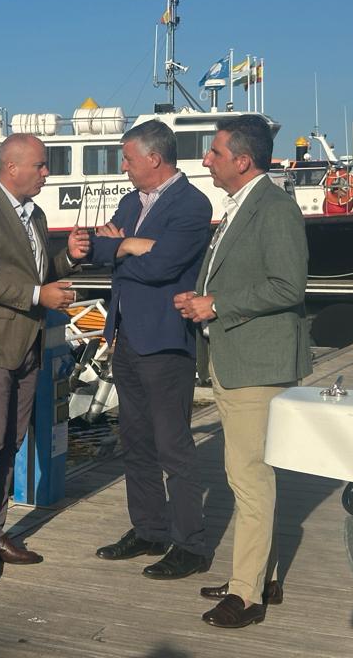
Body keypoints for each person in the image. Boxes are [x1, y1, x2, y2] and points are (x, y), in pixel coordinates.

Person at [174, 115, 310, 628]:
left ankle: (247, 595)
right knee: (248, 476)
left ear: (242, 160)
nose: (206, 160)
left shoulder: (273, 209)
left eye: (213, 152)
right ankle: (259, 575)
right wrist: (202, 300)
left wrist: (217, 303)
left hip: (259, 365)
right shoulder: (243, 206)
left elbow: (288, 287)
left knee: (249, 481)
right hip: (239, 360)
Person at [0, 132, 90, 581]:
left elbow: (40, 272)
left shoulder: (37, 215)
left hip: (25, 346)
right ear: (12, 168)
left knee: (10, 443)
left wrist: (67, 257)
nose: (47, 173)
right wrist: (38, 294)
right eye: (41, 165)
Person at [89, 120, 213, 579]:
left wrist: (121, 247)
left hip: (164, 340)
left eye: (127, 158)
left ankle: (191, 545)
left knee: (172, 447)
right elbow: (102, 256)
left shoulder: (191, 204)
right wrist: (127, 246)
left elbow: (163, 267)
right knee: (136, 443)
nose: (123, 166)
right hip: (126, 337)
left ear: (154, 159)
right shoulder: (129, 201)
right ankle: (149, 529)